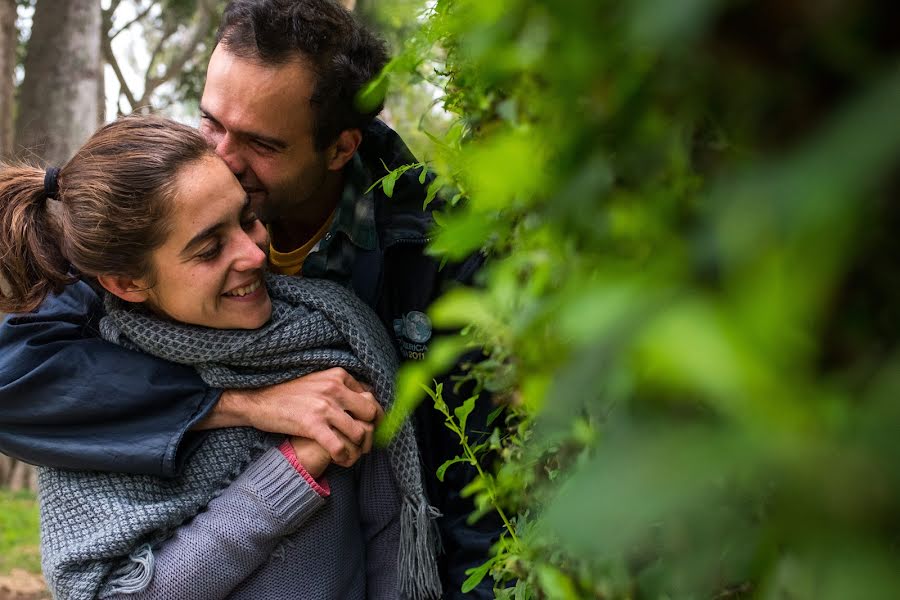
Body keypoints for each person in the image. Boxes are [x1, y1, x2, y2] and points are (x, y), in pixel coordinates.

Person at [0, 0, 498, 596]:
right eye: (211, 121)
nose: (224, 159)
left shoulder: (433, 254)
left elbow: (460, 502)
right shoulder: (155, 215)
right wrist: (243, 404)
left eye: (262, 143)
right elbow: (17, 374)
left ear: (341, 147)